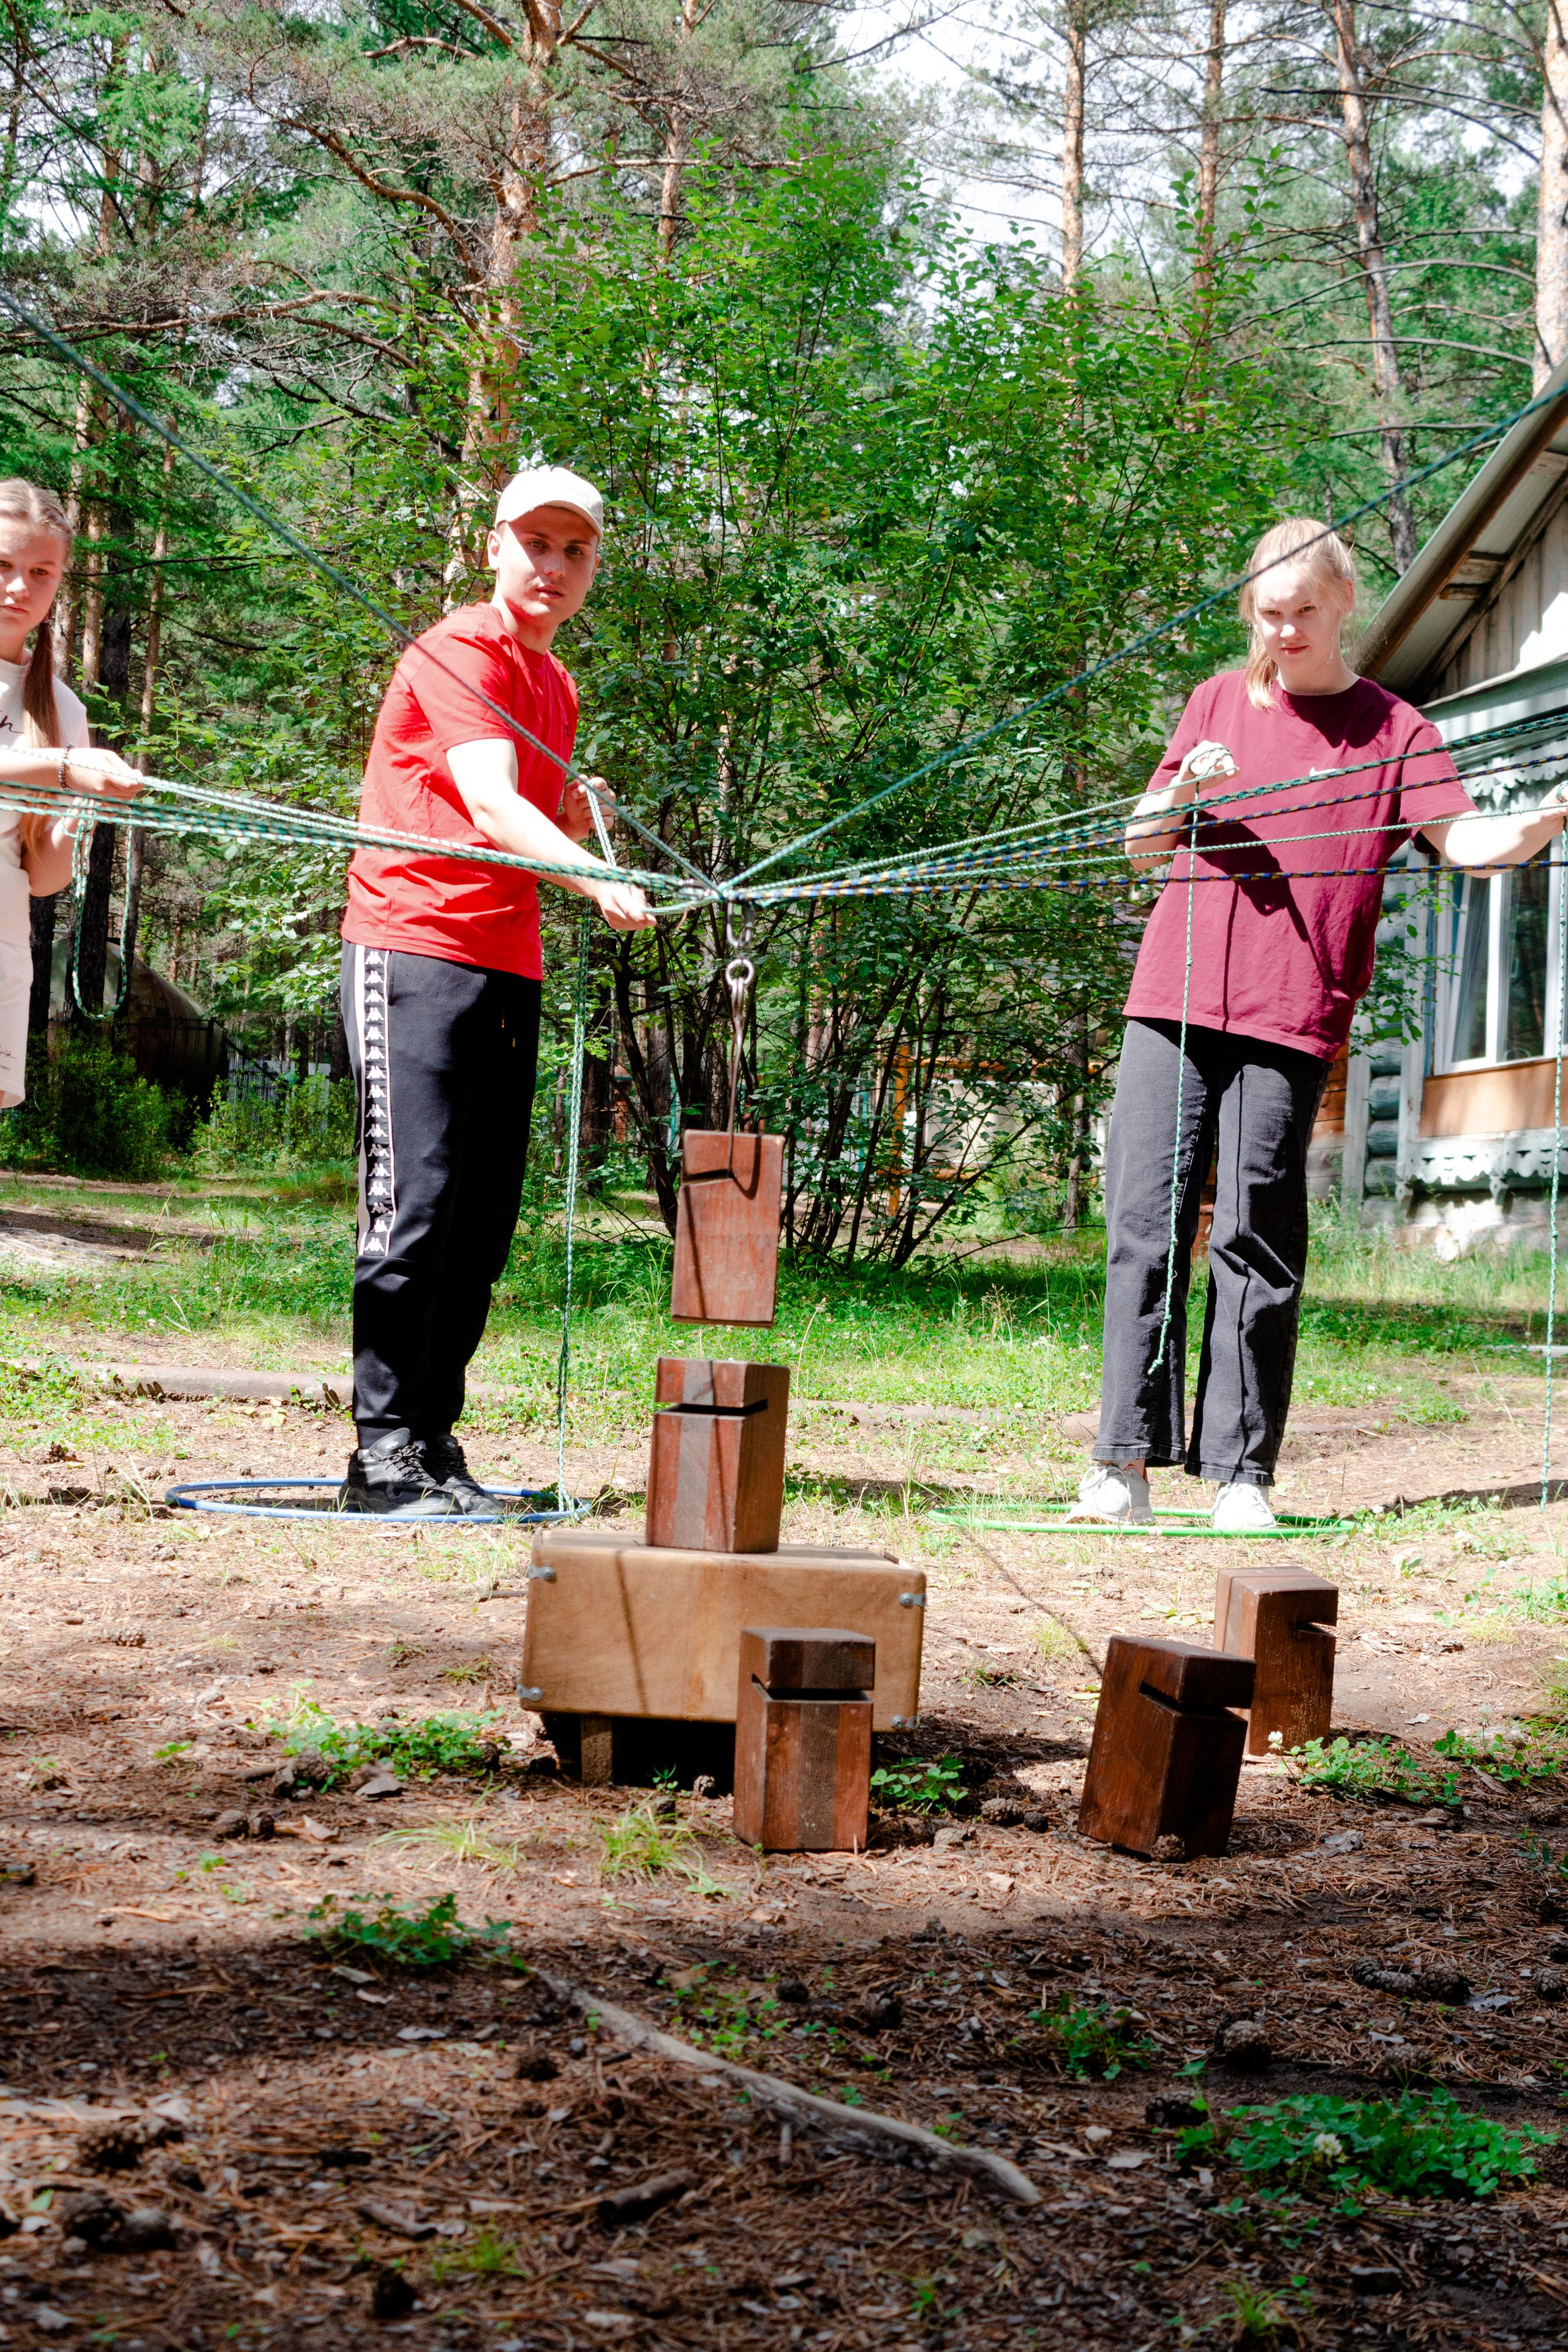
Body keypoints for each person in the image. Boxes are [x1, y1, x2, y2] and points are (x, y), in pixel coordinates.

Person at [1072, 514, 1568, 1532]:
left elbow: (1467, 841)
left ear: (1344, 604)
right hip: (1173, 998)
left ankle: (1242, 1473)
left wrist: (1541, 820)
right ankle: (1121, 1464)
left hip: (1292, 1010)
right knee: (1144, 1226)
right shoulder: (1217, 701)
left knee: (1256, 1234)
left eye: (1305, 612)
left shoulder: (1396, 730)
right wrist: (1181, 795)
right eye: (1269, 612)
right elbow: (1138, 848)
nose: (1286, 631)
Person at [339, 464, 654, 1518]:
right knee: (414, 1209)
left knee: (478, 1226)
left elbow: (525, 805)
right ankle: (379, 1458)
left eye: (575, 551)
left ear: (594, 567)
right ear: (495, 546)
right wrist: (595, 872)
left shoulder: (554, 686)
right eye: (536, 545)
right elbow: (485, 799)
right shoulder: (461, 646)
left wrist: (582, 821)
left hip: (504, 960)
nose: (552, 567)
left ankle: (431, 1440)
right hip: (413, 944)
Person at [0, 478, 143, 1106]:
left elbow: (43, 878)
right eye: (3, 565)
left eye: (40, 572)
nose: (18, 589)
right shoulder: (63, 747)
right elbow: (51, 767)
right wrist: (60, 767)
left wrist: (83, 812)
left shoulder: (61, 707)